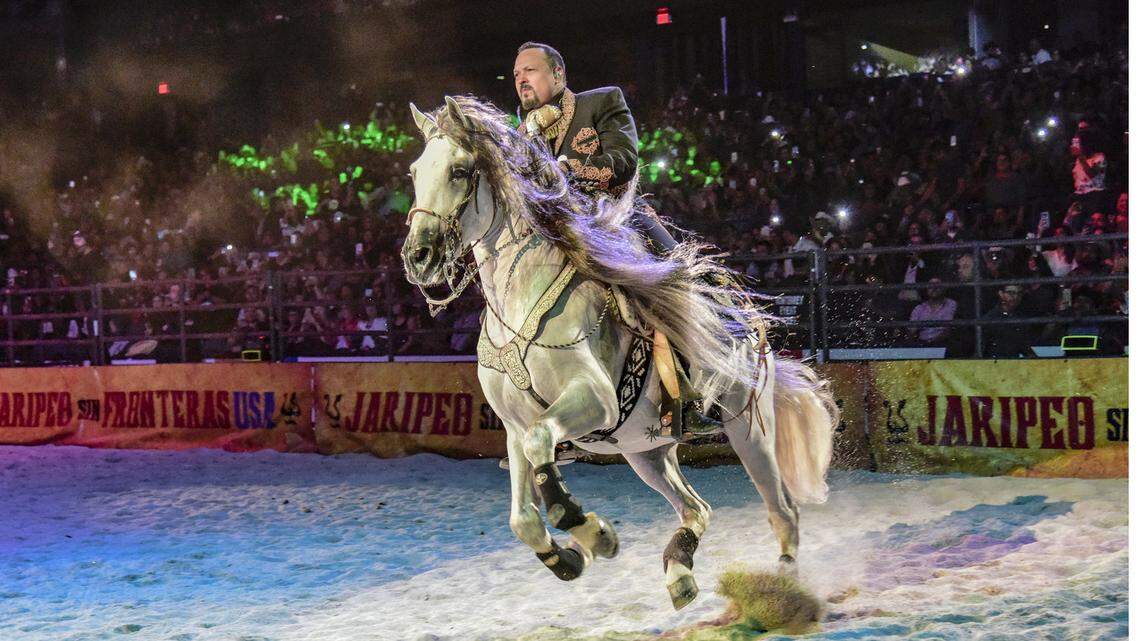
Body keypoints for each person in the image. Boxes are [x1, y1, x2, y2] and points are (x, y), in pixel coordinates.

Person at [512, 41, 719, 434]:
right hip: (559, 235)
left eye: (530, 70)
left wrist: (568, 169)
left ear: (558, 74)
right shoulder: (521, 134)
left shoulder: (601, 101)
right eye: (517, 74)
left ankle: (685, 398)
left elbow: (624, 160)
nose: (521, 78)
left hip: (616, 219)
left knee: (674, 281)